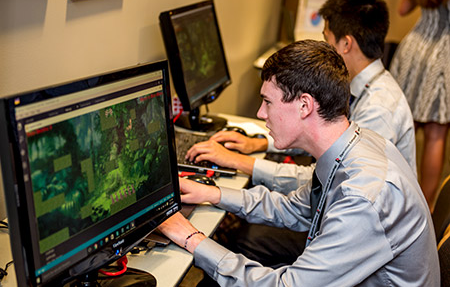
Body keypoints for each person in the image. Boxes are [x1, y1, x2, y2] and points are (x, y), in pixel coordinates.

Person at [159, 39, 439, 286]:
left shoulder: (363, 196)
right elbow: (295, 208)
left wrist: (190, 237)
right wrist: (213, 194)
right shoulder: (354, 144)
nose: (260, 113)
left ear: (304, 105)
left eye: (267, 102)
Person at [186, 0, 417, 184]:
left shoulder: (379, 109)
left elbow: (328, 180)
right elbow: (325, 138)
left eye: (327, 39)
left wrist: (239, 161)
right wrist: (259, 143)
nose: (323, 47)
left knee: (249, 232)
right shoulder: (366, 88)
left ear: (346, 44)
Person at [389, 0, 450, 209]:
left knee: (403, 125)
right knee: (436, 134)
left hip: (414, 50)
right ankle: (424, 207)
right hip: (443, 55)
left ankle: (390, 194)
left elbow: (403, 9)